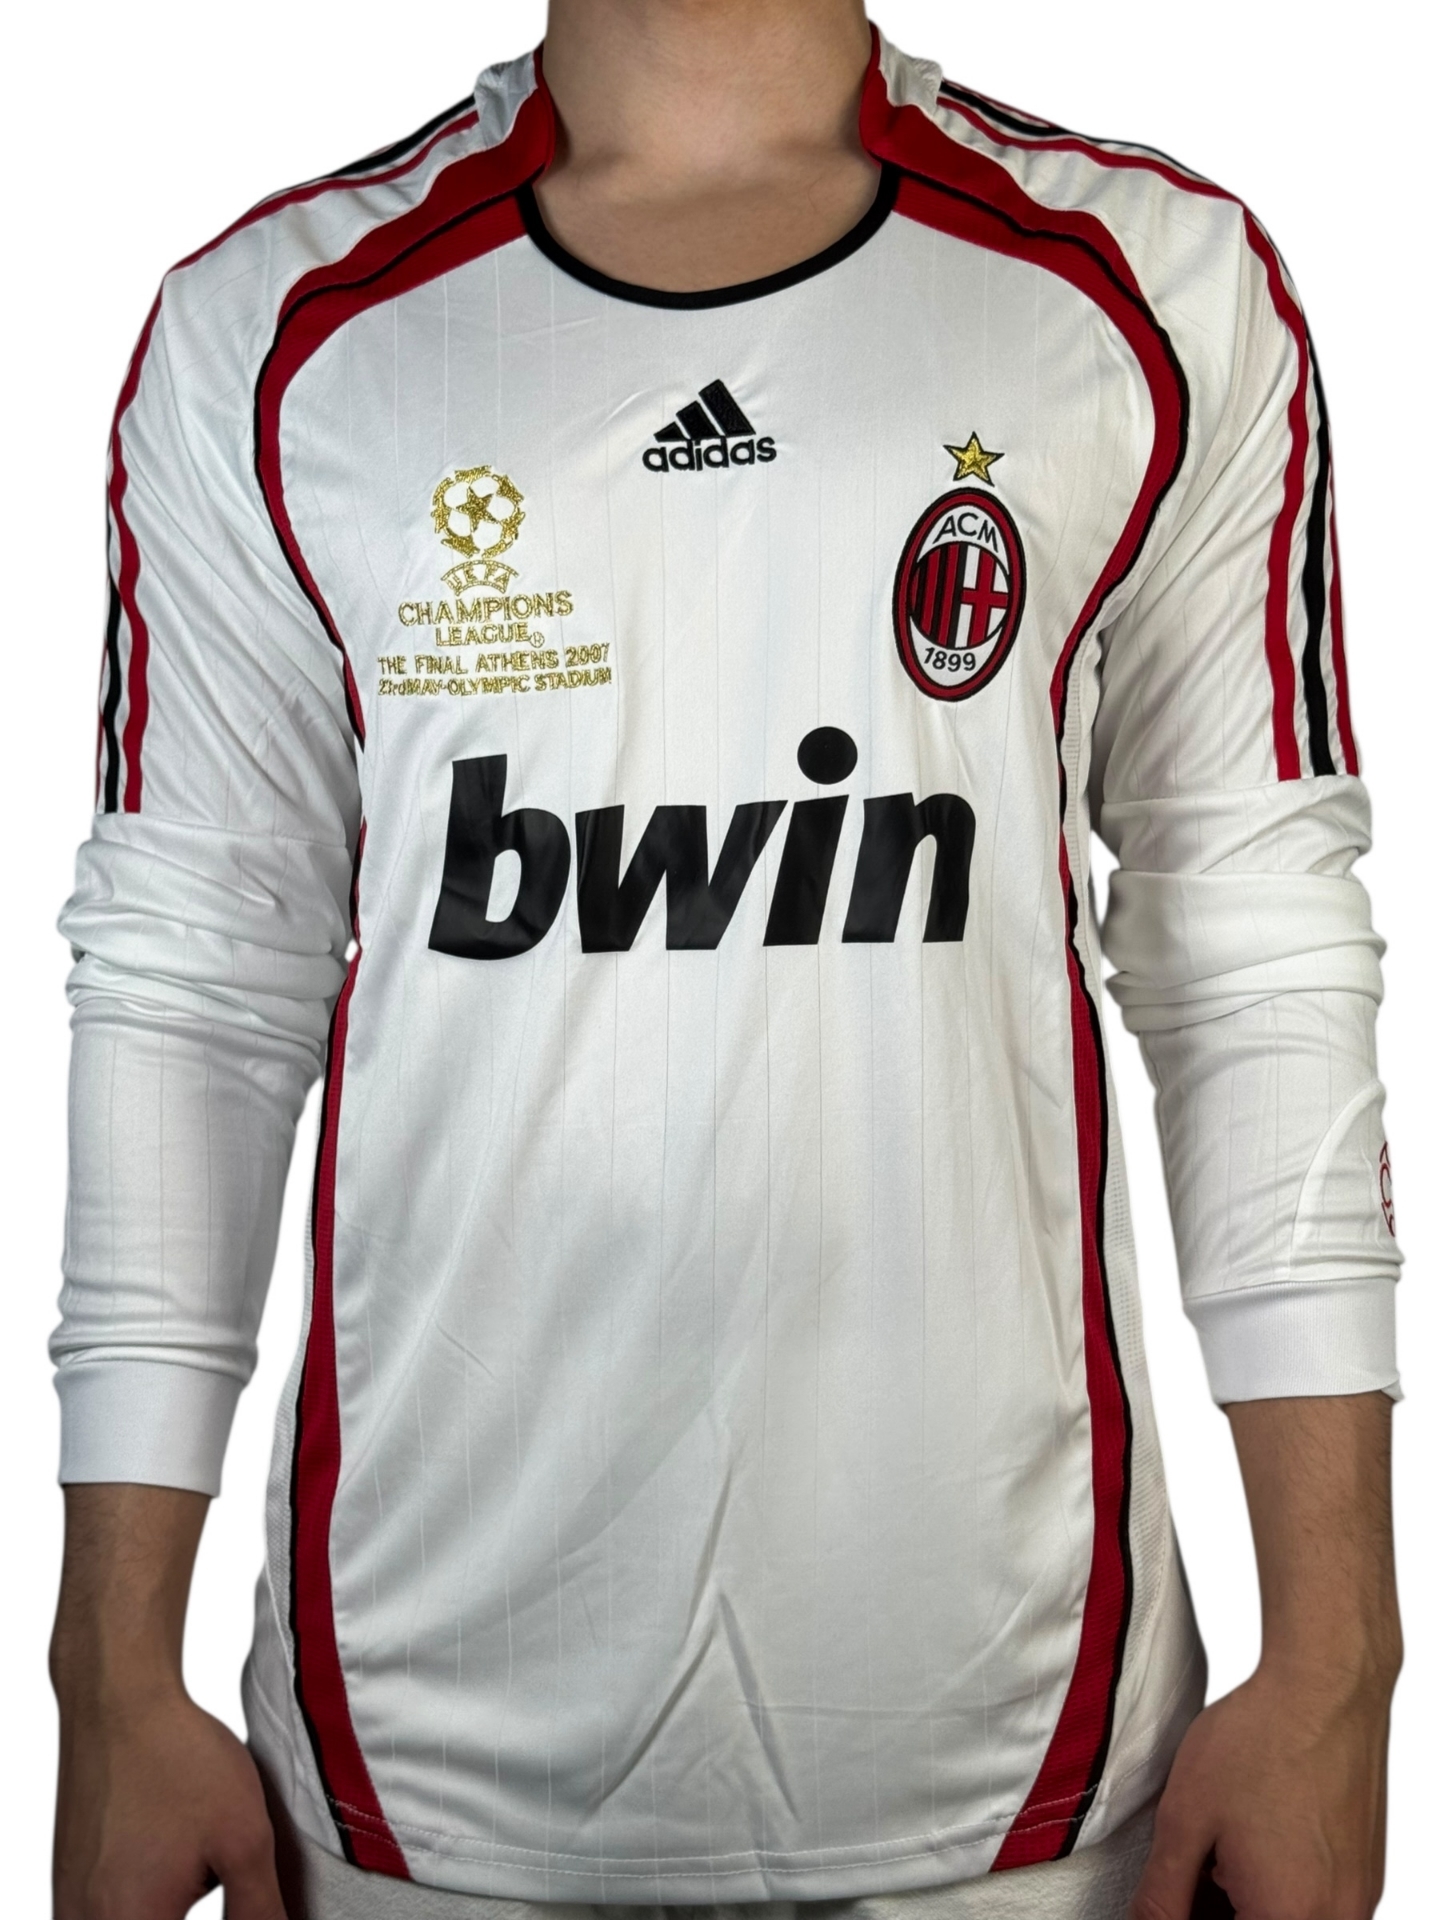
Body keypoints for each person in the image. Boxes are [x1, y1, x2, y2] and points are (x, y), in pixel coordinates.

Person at [48, 3, 1403, 1917]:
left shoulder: (1155, 285)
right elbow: (194, 982)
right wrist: (108, 1667)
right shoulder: (269, 332)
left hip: (1023, 1768)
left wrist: (1340, 1656)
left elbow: (1254, 947)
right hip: (414, 1770)